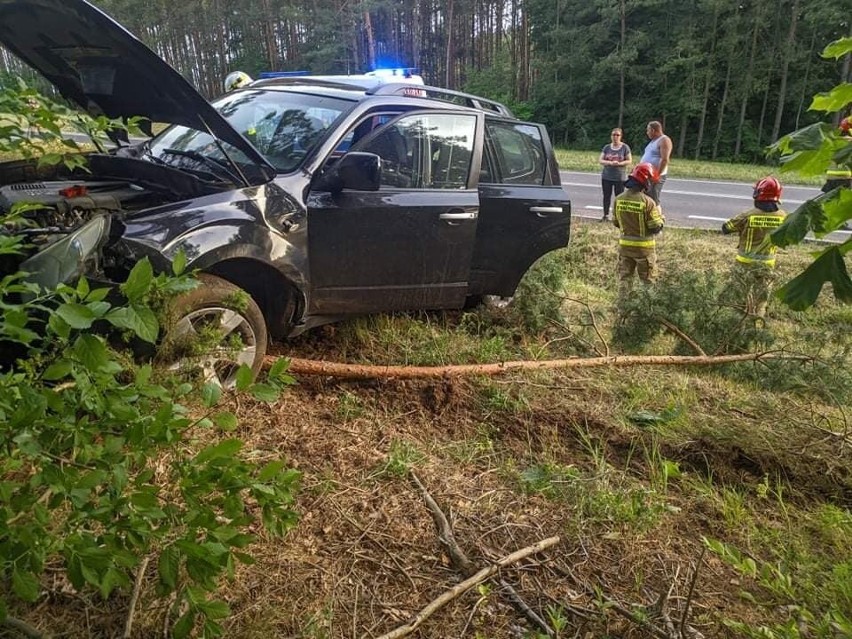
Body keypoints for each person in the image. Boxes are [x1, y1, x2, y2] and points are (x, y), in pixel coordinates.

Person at [721, 177, 788, 317]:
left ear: (758, 194)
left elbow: (726, 228)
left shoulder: (748, 215)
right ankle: (758, 321)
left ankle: (739, 320)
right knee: (762, 297)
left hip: (744, 262)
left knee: (740, 293)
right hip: (767, 263)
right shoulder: (783, 217)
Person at [612, 162, 665, 298]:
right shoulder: (648, 202)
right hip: (644, 250)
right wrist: (661, 219)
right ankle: (646, 312)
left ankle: (623, 309)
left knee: (625, 280)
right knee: (648, 282)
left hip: (624, 248)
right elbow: (655, 227)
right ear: (645, 182)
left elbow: (616, 222)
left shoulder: (618, 199)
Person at [599, 128, 632, 222]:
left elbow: (629, 160)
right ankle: (605, 215)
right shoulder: (607, 147)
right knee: (606, 196)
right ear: (611, 136)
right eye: (613, 135)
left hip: (619, 177)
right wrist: (610, 162)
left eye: (617, 135)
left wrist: (620, 163)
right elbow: (600, 160)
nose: (615, 137)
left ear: (621, 136)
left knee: (619, 197)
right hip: (607, 176)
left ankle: (618, 217)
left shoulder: (625, 147)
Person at [639, 121, 672, 204]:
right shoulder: (653, 141)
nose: (647, 133)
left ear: (653, 130)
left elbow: (665, 159)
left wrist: (657, 175)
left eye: (648, 130)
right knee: (645, 198)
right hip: (647, 174)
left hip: (655, 175)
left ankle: (657, 216)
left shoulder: (664, 140)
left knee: (653, 199)